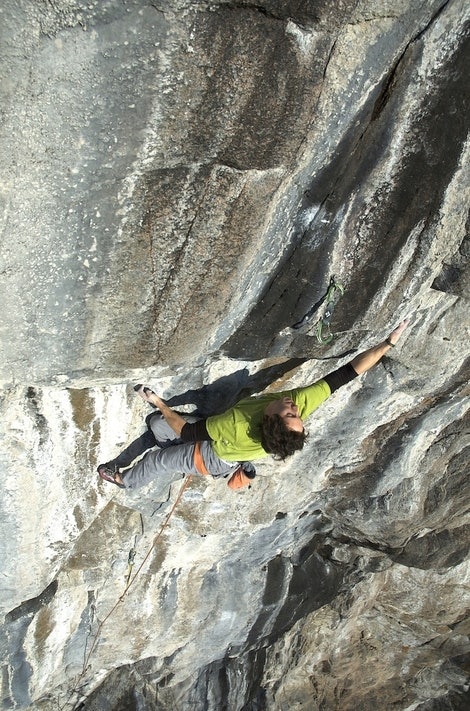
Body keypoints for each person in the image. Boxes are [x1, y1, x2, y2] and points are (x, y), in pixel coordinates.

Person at [97, 320, 409, 491]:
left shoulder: (235, 429)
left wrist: (158, 401)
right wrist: (389, 342)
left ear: (269, 421)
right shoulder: (299, 403)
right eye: (297, 414)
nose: (293, 406)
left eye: (289, 414)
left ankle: (125, 480)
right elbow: (347, 372)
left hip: (213, 455)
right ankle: (164, 438)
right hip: (221, 443)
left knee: (160, 459)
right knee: (155, 427)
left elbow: (189, 432)